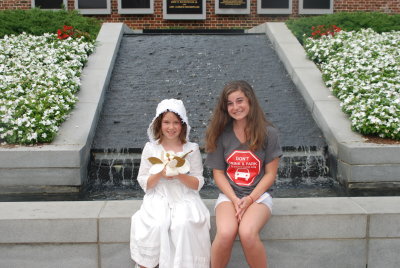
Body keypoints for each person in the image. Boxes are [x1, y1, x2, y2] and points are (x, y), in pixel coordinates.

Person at [204, 81, 282, 268]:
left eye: (240, 101)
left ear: (250, 101)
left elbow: (270, 174)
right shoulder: (220, 134)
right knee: (225, 233)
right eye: (230, 103)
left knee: (247, 232)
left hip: (259, 197)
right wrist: (235, 199)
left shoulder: (269, 133)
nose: (235, 107)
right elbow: (218, 174)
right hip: (228, 196)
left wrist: (250, 199)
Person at [130, 99, 211, 268]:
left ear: (183, 125)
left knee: (183, 225)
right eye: (166, 122)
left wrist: (179, 174)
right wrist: (160, 172)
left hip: (184, 197)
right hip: (158, 197)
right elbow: (144, 181)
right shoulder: (151, 148)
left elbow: (198, 182)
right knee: (157, 224)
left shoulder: (191, 149)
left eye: (176, 122)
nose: (171, 127)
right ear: (159, 124)